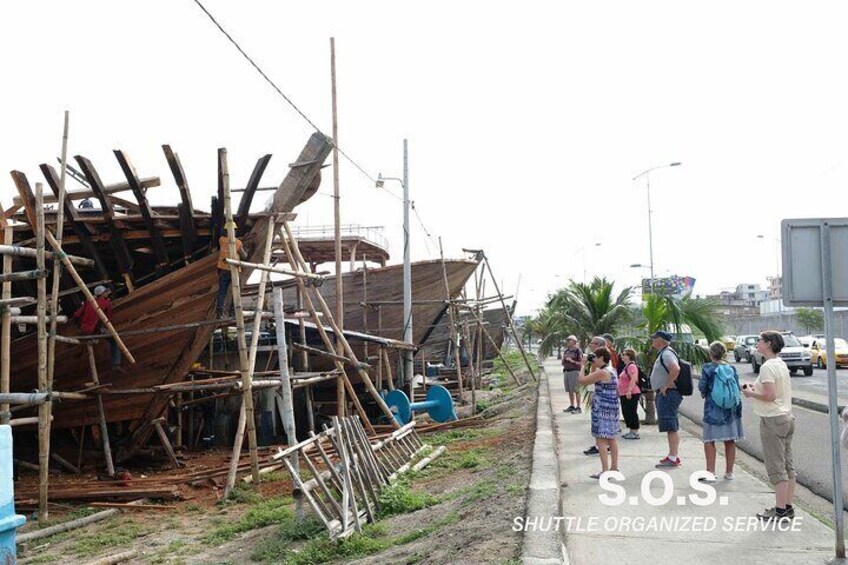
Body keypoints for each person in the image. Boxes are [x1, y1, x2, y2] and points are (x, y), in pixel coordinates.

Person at [742, 330, 795, 522]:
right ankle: (787, 506)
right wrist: (756, 389)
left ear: (769, 343)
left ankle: (780, 510)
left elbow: (770, 396)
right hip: (786, 416)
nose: (757, 343)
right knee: (788, 465)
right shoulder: (780, 364)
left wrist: (750, 394)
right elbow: (775, 392)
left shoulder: (766, 367)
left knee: (776, 466)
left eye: (760, 341)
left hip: (772, 419)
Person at [698, 341, 743, 481]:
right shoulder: (731, 368)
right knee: (730, 440)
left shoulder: (707, 368)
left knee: (709, 440)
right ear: (724, 354)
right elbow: (737, 388)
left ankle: (710, 472)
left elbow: (702, 388)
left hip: (713, 409)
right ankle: (729, 472)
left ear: (710, 354)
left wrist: (705, 393)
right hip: (730, 409)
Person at [578, 346, 620, 478]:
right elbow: (593, 376)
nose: (593, 359)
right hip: (611, 407)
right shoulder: (610, 370)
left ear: (601, 358)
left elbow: (582, 380)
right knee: (611, 438)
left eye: (595, 357)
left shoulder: (602, 373)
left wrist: (582, 365)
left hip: (602, 408)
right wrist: (592, 364)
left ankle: (605, 470)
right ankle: (613, 468)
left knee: (601, 439)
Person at [649, 330, 683, 468]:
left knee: (671, 425)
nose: (652, 340)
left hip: (668, 394)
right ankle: (672, 455)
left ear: (661, 340)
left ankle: (673, 457)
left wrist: (666, 385)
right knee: (671, 425)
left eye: (654, 338)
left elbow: (675, 369)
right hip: (667, 393)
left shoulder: (667, 353)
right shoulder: (664, 353)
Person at [73, 285, 121, 369]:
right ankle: (116, 363)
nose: (106, 294)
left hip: (84, 329)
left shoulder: (89, 302)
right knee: (114, 340)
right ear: (102, 294)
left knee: (85, 341)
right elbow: (107, 318)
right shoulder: (106, 303)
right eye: (105, 292)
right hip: (96, 329)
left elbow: (76, 314)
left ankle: (80, 352)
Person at [583, 335, 610, 455]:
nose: (590, 344)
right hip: (597, 389)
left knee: (599, 420)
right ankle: (600, 445)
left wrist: (583, 365)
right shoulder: (598, 356)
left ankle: (600, 446)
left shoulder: (599, 358)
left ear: (598, 345)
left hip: (599, 391)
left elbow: (592, 375)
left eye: (592, 343)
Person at [216, 224, 248, 318]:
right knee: (236, 291)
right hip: (234, 270)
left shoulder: (221, 240)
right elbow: (244, 256)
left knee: (222, 291)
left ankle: (219, 313)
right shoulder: (238, 243)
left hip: (223, 269)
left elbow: (228, 240)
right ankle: (232, 311)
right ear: (235, 231)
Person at [618, 348, 641, 440]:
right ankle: (631, 430)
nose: (622, 357)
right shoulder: (626, 367)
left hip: (631, 393)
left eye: (624, 355)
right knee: (626, 412)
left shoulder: (632, 366)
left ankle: (634, 432)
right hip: (623, 393)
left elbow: (633, 379)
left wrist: (629, 391)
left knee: (631, 412)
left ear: (629, 356)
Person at [562, 335, 583, 413]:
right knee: (570, 390)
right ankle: (572, 405)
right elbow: (563, 361)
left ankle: (578, 407)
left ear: (574, 342)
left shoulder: (577, 351)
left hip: (574, 371)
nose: (567, 342)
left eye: (569, 340)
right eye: (567, 340)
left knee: (576, 389)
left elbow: (581, 362)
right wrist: (564, 361)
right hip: (566, 371)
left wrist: (572, 361)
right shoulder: (566, 351)